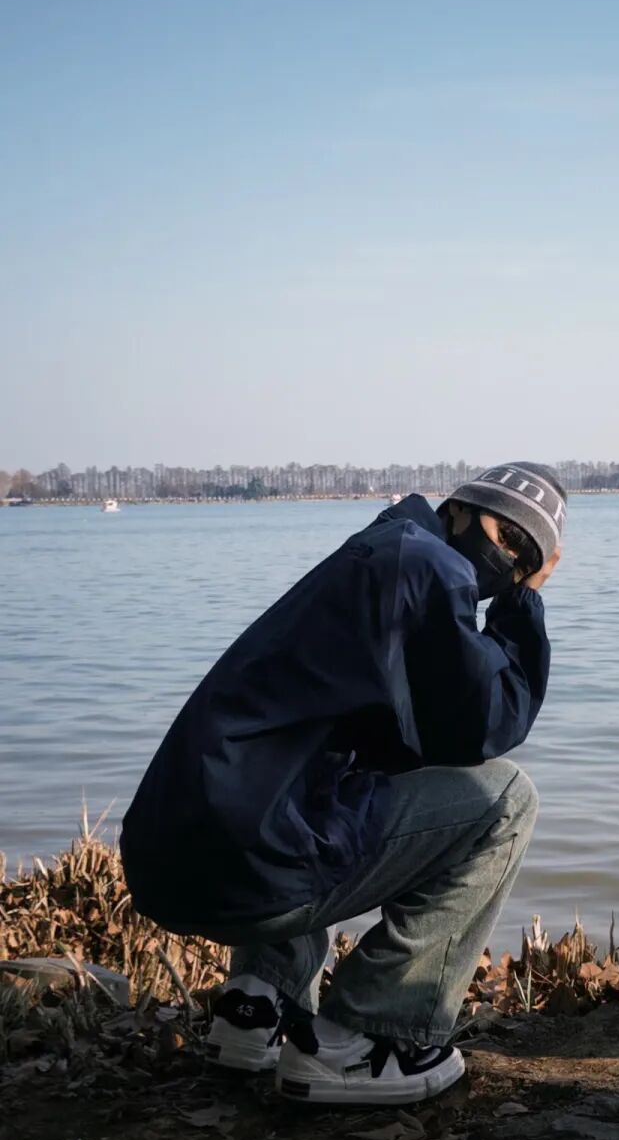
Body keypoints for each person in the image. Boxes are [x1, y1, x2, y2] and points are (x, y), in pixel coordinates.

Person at [120, 462, 565, 1105]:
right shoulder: (430, 569)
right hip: (249, 872)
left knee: (338, 777)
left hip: (170, 858)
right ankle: (368, 1038)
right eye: (506, 535)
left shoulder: (377, 556)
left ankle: (258, 1004)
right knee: (505, 800)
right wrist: (523, 601)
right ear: (460, 510)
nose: (509, 561)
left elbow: (415, 739)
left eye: (526, 557)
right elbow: (487, 723)